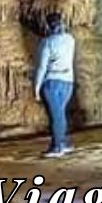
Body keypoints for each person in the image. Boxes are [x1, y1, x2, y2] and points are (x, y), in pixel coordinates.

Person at [33, 12, 76, 158]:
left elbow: (41, 67)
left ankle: (57, 147)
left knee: (55, 116)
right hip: (68, 83)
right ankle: (62, 142)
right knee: (60, 114)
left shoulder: (47, 43)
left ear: (47, 26)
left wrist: (36, 88)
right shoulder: (70, 40)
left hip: (52, 83)